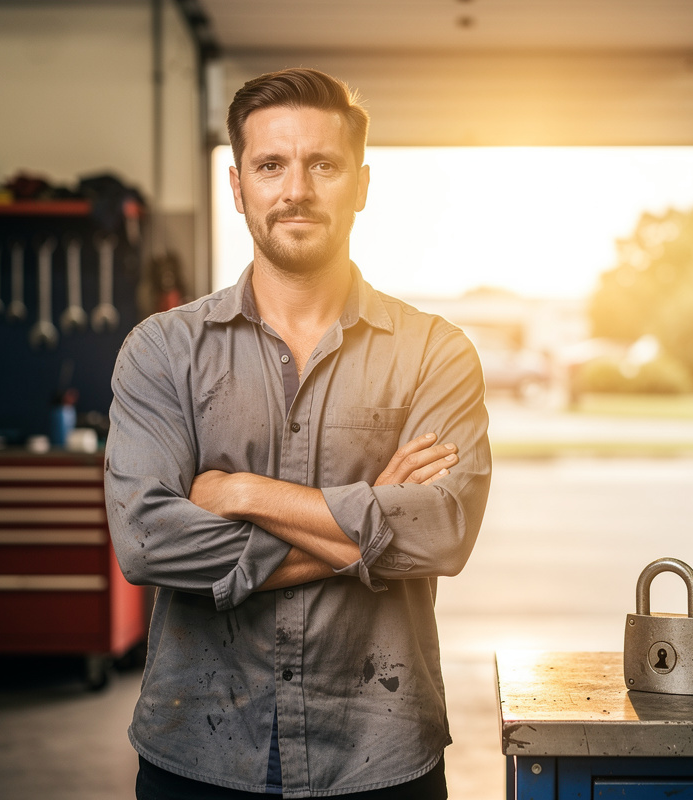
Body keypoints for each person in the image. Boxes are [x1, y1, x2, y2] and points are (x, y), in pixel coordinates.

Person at [104, 67, 491, 799]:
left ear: (363, 184)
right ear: (237, 185)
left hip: (378, 753)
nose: (297, 190)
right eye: (271, 165)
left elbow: (441, 535)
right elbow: (149, 540)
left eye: (323, 164)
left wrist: (241, 491)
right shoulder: (163, 351)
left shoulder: (435, 353)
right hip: (200, 750)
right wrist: (369, 519)